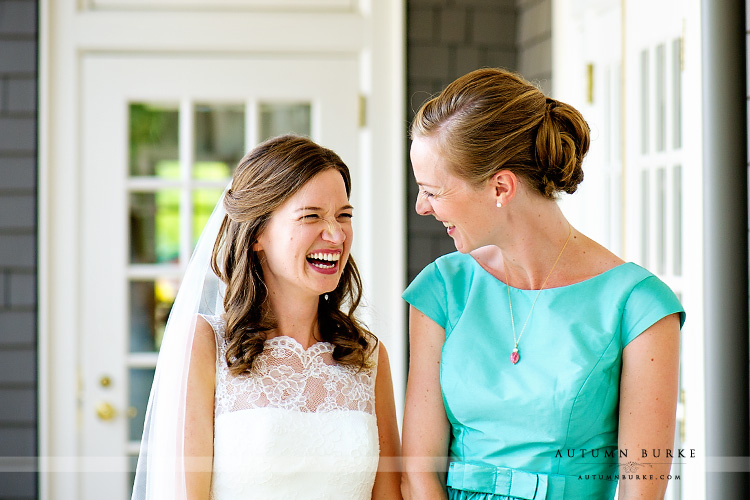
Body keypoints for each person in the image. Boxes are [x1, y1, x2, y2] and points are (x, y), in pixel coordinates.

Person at [400, 68, 684, 500]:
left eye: (433, 191)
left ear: (501, 187)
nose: (422, 207)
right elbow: (418, 474)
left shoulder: (638, 308)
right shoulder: (441, 290)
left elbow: (640, 491)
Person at [132, 135, 402, 500]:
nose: (336, 234)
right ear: (259, 233)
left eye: (344, 215)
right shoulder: (205, 344)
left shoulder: (368, 356)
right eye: (311, 216)